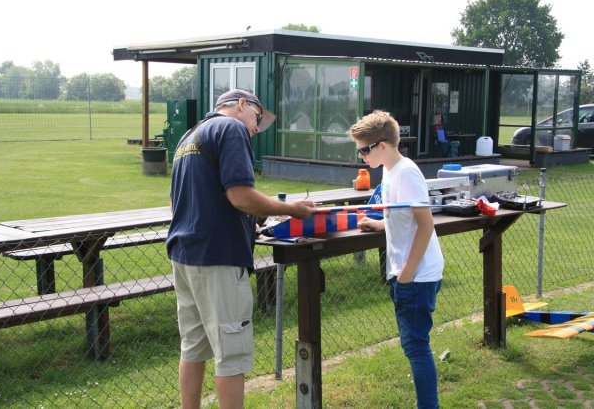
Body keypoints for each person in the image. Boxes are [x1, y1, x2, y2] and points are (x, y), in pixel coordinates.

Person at [166, 89, 316, 409]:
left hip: (184, 254)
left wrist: (247, 225)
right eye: (257, 118)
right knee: (231, 353)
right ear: (242, 105)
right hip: (218, 257)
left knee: (193, 347)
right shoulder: (231, 128)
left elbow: (187, 200)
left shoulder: (189, 137)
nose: (256, 128)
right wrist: (291, 209)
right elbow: (239, 195)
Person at [350, 110, 444, 409]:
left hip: (416, 275)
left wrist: (406, 274)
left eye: (364, 150)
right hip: (408, 273)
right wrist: (381, 224)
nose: (361, 157)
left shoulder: (405, 172)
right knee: (414, 345)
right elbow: (405, 217)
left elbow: (425, 225)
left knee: (416, 347)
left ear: (382, 145)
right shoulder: (390, 171)